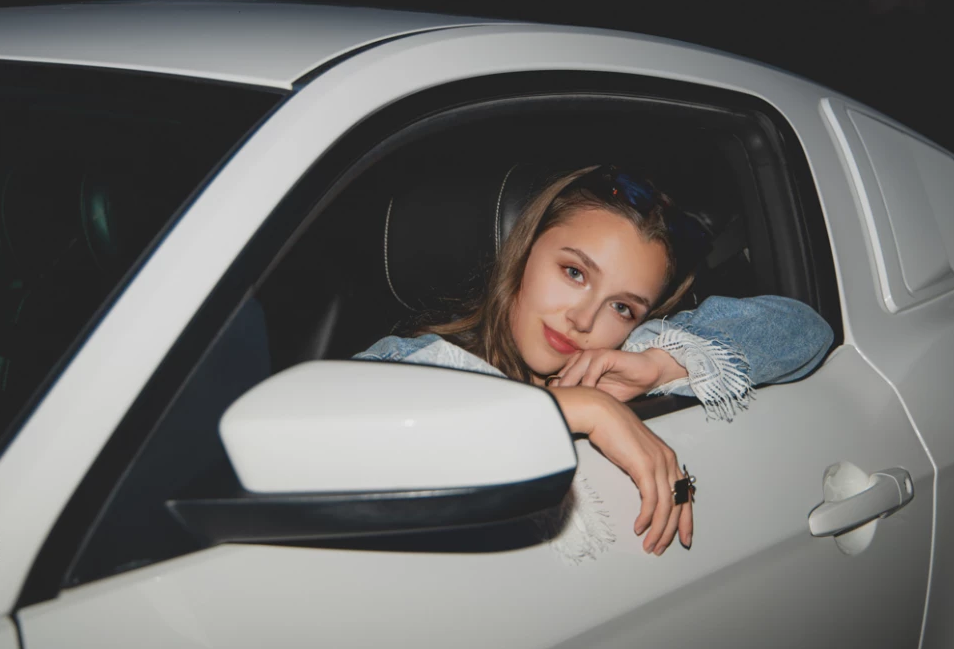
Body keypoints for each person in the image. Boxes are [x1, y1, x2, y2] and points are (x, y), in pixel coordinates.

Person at [354, 164, 833, 557]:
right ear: (523, 251)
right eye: (574, 272)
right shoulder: (418, 363)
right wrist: (582, 409)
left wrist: (660, 365)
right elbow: (352, 436)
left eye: (622, 307)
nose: (583, 320)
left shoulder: (622, 359)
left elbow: (805, 331)